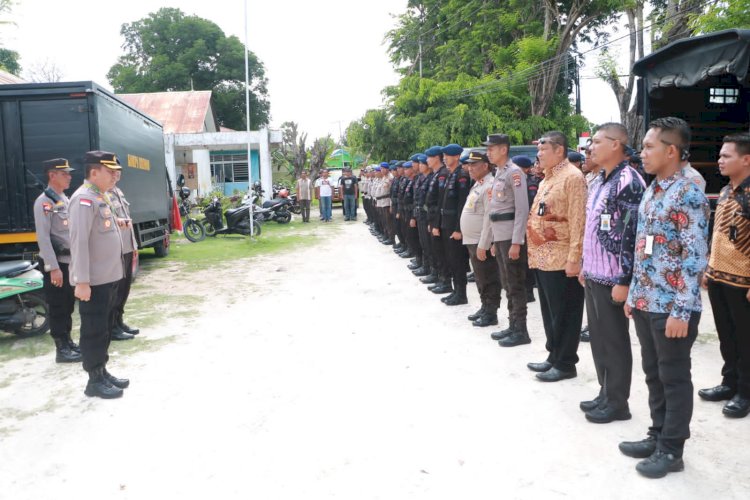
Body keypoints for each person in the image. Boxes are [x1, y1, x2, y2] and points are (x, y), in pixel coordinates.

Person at [621, 117, 709, 479]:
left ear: (671, 151)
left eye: (649, 146)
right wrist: (635, 293)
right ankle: (657, 435)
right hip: (646, 302)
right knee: (654, 374)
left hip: (672, 307)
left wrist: (681, 311)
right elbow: (646, 246)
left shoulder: (689, 193)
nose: (642, 153)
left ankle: (672, 449)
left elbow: (693, 260)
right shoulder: (654, 188)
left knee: (674, 378)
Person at [579, 123, 646, 424]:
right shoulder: (599, 181)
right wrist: (584, 264)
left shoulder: (629, 181)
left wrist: (625, 279)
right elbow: (593, 228)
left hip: (613, 278)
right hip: (593, 273)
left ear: (616, 144)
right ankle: (606, 392)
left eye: (596, 141)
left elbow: (633, 234)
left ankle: (618, 402)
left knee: (615, 340)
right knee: (599, 339)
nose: (591, 147)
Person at [526, 131, 587, 382]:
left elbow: (578, 219)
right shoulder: (547, 179)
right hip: (542, 256)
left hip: (562, 257)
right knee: (550, 311)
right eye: (538, 150)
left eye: (543, 149)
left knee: (565, 313)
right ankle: (553, 355)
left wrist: (575, 256)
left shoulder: (573, 177)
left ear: (559, 150)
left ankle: (565, 363)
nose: (538, 154)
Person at [69, 151, 129, 399]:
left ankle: (102, 371)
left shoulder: (99, 196)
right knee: (93, 329)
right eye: (109, 171)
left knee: (104, 328)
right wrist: (82, 281)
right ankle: (93, 380)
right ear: (94, 172)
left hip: (108, 276)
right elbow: (79, 243)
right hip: (93, 280)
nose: (113, 175)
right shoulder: (83, 199)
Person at [700, 133, 750, 418]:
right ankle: (729, 382)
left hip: (743, 282)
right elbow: (717, 234)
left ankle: (745, 391)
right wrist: (710, 268)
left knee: (745, 338)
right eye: (720, 155)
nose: (720, 160)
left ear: (746, 159)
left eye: (726, 156)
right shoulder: (726, 191)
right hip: (720, 277)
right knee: (726, 337)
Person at [482, 134, 530, 346]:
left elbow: (521, 209)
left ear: (503, 150)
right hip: (501, 237)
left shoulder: (515, 173)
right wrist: (493, 241)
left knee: (515, 285)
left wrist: (516, 242)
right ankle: (512, 325)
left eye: (491, 149)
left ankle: (521, 330)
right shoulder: (499, 173)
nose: (488, 153)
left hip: (511, 237)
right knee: (507, 283)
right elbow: (495, 211)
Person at [33, 158, 81, 363]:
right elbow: (43, 238)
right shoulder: (44, 202)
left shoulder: (63, 199)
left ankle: (68, 341)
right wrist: (53, 268)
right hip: (57, 264)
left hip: (69, 262)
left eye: (69, 173)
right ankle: (61, 349)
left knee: (69, 305)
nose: (69, 176)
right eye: (65, 173)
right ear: (52, 175)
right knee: (58, 306)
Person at [462, 150, 501, 327]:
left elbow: (489, 217)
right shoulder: (478, 184)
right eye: (469, 165)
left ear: (485, 166)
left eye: (474, 165)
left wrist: (484, 244)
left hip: (480, 241)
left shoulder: (490, 185)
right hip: (472, 239)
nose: (470, 168)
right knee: (479, 277)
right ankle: (485, 306)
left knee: (488, 277)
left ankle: (491, 312)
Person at [438, 144, 471, 305]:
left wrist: (459, 229)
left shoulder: (462, 176)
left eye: (447, 155)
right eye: (443, 155)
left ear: (457, 157)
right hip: (447, 223)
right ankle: (455, 291)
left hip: (454, 226)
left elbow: (462, 205)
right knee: (451, 259)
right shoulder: (451, 175)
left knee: (458, 261)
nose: (444, 158)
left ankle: (461, 294)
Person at [109, 170, 139, 341]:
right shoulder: (104, 195)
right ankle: (112, 326)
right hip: (116, 250)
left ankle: (119, 321)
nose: (116, 175)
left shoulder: (118, 192)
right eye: (112, 172)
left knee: (124, 289)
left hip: (127, 247)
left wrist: (134, 245)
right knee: (116, 290)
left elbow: (127, 219)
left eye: (119, 172)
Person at [513, 154, 540, 303]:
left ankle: (528, 292)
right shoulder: (519, 181)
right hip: (519, 225)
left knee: (526, 261)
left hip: (528, 226)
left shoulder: (531, 183)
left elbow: (529, 205)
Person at [425, 146, 451, 294]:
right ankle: (441, 279)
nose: (427, 160)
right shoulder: (436, 174)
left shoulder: (443, 174)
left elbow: (441, 201)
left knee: (442, 253)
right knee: (436, 251)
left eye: (429, 157)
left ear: (436, 158)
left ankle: (446, 282)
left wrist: (435, 224)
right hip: (433, 218)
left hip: (439, 220)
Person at [413, 155, 435, 280]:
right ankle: (426, 266)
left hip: (427, 215)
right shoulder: (421, 178)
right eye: (420, 164)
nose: (420, 166)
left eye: (422, 164)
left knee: (429, 245)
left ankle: (433, 271)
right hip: (420, 214)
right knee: (424, 243)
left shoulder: (431, 178)